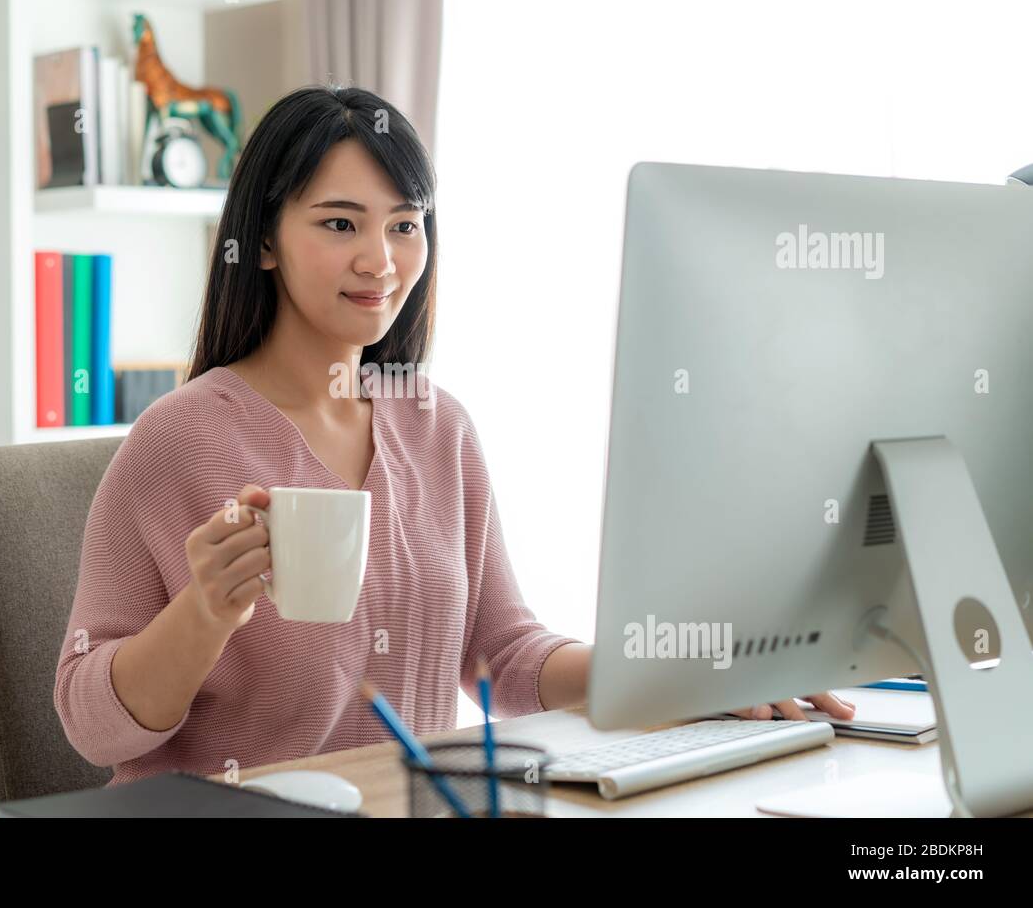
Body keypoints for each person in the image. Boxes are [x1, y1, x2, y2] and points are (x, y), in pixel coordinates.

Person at [53, 85, 854, 785]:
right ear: (262, 241)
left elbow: (502, 658)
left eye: (405, 226)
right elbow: (92, 728)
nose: (381, 259)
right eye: (340, 223)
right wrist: (205, 611)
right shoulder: (177, 440)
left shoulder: (439, 427)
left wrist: (670, 674)